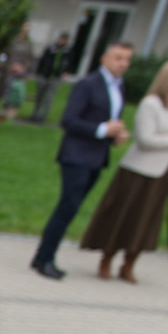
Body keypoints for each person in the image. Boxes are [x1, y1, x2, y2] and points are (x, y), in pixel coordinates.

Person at [80, 58, 168, 284]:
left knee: (148, 218)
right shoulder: (151, 104)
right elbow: (145, 139)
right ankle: (107, 257)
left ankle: (130, 262)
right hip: (140, 170)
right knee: (125, 214)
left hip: (164, 170)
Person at [32, 40, 132, 280]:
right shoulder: (88, 84)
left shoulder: (119, 87)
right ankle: (44, 258)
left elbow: (108, 119)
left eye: (127, 59)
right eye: (118, 58)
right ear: (104, 59)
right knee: (67, 206)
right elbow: (69, 120)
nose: (123, 64)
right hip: (76, 155)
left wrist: (114, 135)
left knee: (72, 208)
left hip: (97, 156)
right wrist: (102, 129)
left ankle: (44, 256)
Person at [29, 33, 71, 124]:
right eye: (62, 39)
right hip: (45, 75)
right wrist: (39, 72)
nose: (62, 41)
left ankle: (42, 116)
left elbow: (69, 63)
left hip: (56, 77)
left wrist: (65, 72)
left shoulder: (67, 51)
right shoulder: (51, 48)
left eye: (64, 40)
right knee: (40, 95)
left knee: (49, 97)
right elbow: (42, 60)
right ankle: (35, 114)